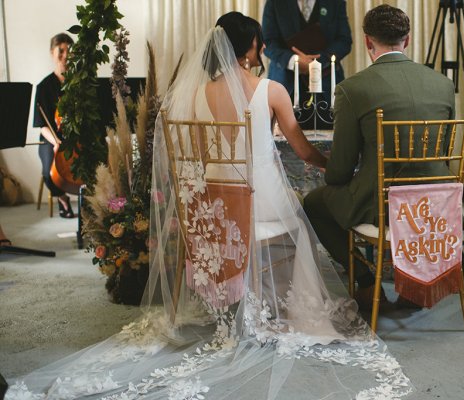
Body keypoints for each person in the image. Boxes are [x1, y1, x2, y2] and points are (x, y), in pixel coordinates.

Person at [6, 12, 413, 399]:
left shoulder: (194, 95)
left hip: (213, 213)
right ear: (251, 48)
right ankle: (275, 305)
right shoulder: (271, 90)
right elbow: (304, 151)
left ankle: (242, 301)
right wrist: (337, 167)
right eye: (256, 44)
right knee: (301, 224)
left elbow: (194, 162)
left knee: (289, 216)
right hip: (260, 207)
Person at [304, 4, 456, 310]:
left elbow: (339, 173)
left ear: (367, 41)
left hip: (384, 206)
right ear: (408, 40)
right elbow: (442, 152)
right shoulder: (444, 85)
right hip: (436, 203)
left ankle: (365, 281)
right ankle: (415, 287)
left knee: (312, 203)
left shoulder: (352, 89)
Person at [262, 0, 352, 128]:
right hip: (286, 85)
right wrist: (294, 61)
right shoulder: (274, 2)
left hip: (326, 88)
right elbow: (268, 42)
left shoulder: (335, 2)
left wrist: (315, 63)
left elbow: (344, 40)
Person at [33, 33, 75, 218]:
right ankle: (62, 198)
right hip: (50, 137)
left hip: (74, 137)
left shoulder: (78, 83)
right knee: (48, 172)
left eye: (69, 50)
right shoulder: (44, 87)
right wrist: (56, 141)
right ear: (52, 52)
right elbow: (41, 124)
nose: (65, 55)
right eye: (61, 50)